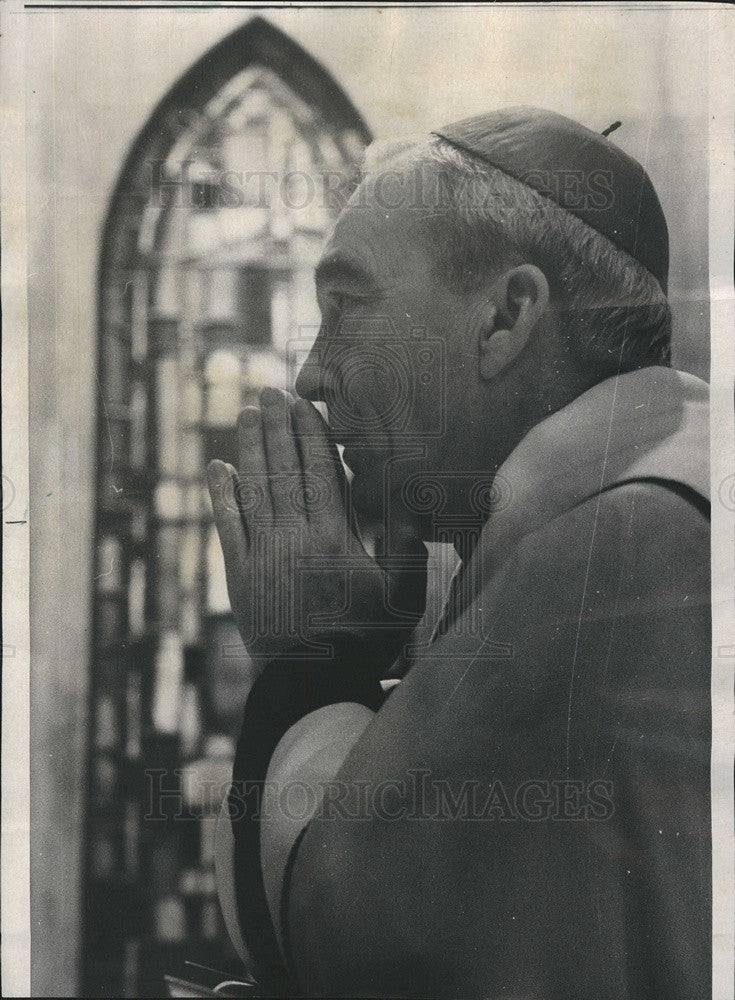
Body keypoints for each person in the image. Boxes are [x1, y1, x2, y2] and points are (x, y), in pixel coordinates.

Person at [207, 108, 710, 999]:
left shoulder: (619, 551)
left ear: (505, 317)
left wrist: (312, 656)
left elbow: (369, 946)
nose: (312, 376)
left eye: (346, 305)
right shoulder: (647, 500)